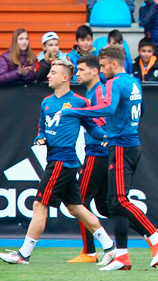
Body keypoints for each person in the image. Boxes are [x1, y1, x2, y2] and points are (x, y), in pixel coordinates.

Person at [61, 46, 158, 271]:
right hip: (131, 143)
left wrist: (75, 112)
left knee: (119, 200)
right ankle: (122, 256)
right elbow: (140, 112)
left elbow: (109, 109)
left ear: (113, 64)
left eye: (102, 66)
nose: (101, 71)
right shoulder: (134, 82)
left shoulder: (113, 83)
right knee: (113, 203)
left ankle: (156, 240)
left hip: (120, 146)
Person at [0, 59, 116, 267]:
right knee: (76, 207)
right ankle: (110, 247)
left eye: (53, 72)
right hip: (56, 159)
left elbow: (92, 128)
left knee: (39, 204)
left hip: (63, 160)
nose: (48, 75)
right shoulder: (46, 102)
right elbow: (42, 129)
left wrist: (108, 136)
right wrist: (39, 138)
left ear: (65, 78)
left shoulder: (79, 102)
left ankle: (24, 255)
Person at [67, 55, 113, 263]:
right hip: (99, 154)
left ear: (94, 71)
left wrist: (104, 138)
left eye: (81, 70)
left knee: (79, 203)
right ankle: (150, 234)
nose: (77, 74)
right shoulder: (92, 92)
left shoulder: (99, 92)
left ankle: (90, 252)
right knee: (105, 207)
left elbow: (104, 120)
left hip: (97, 153)